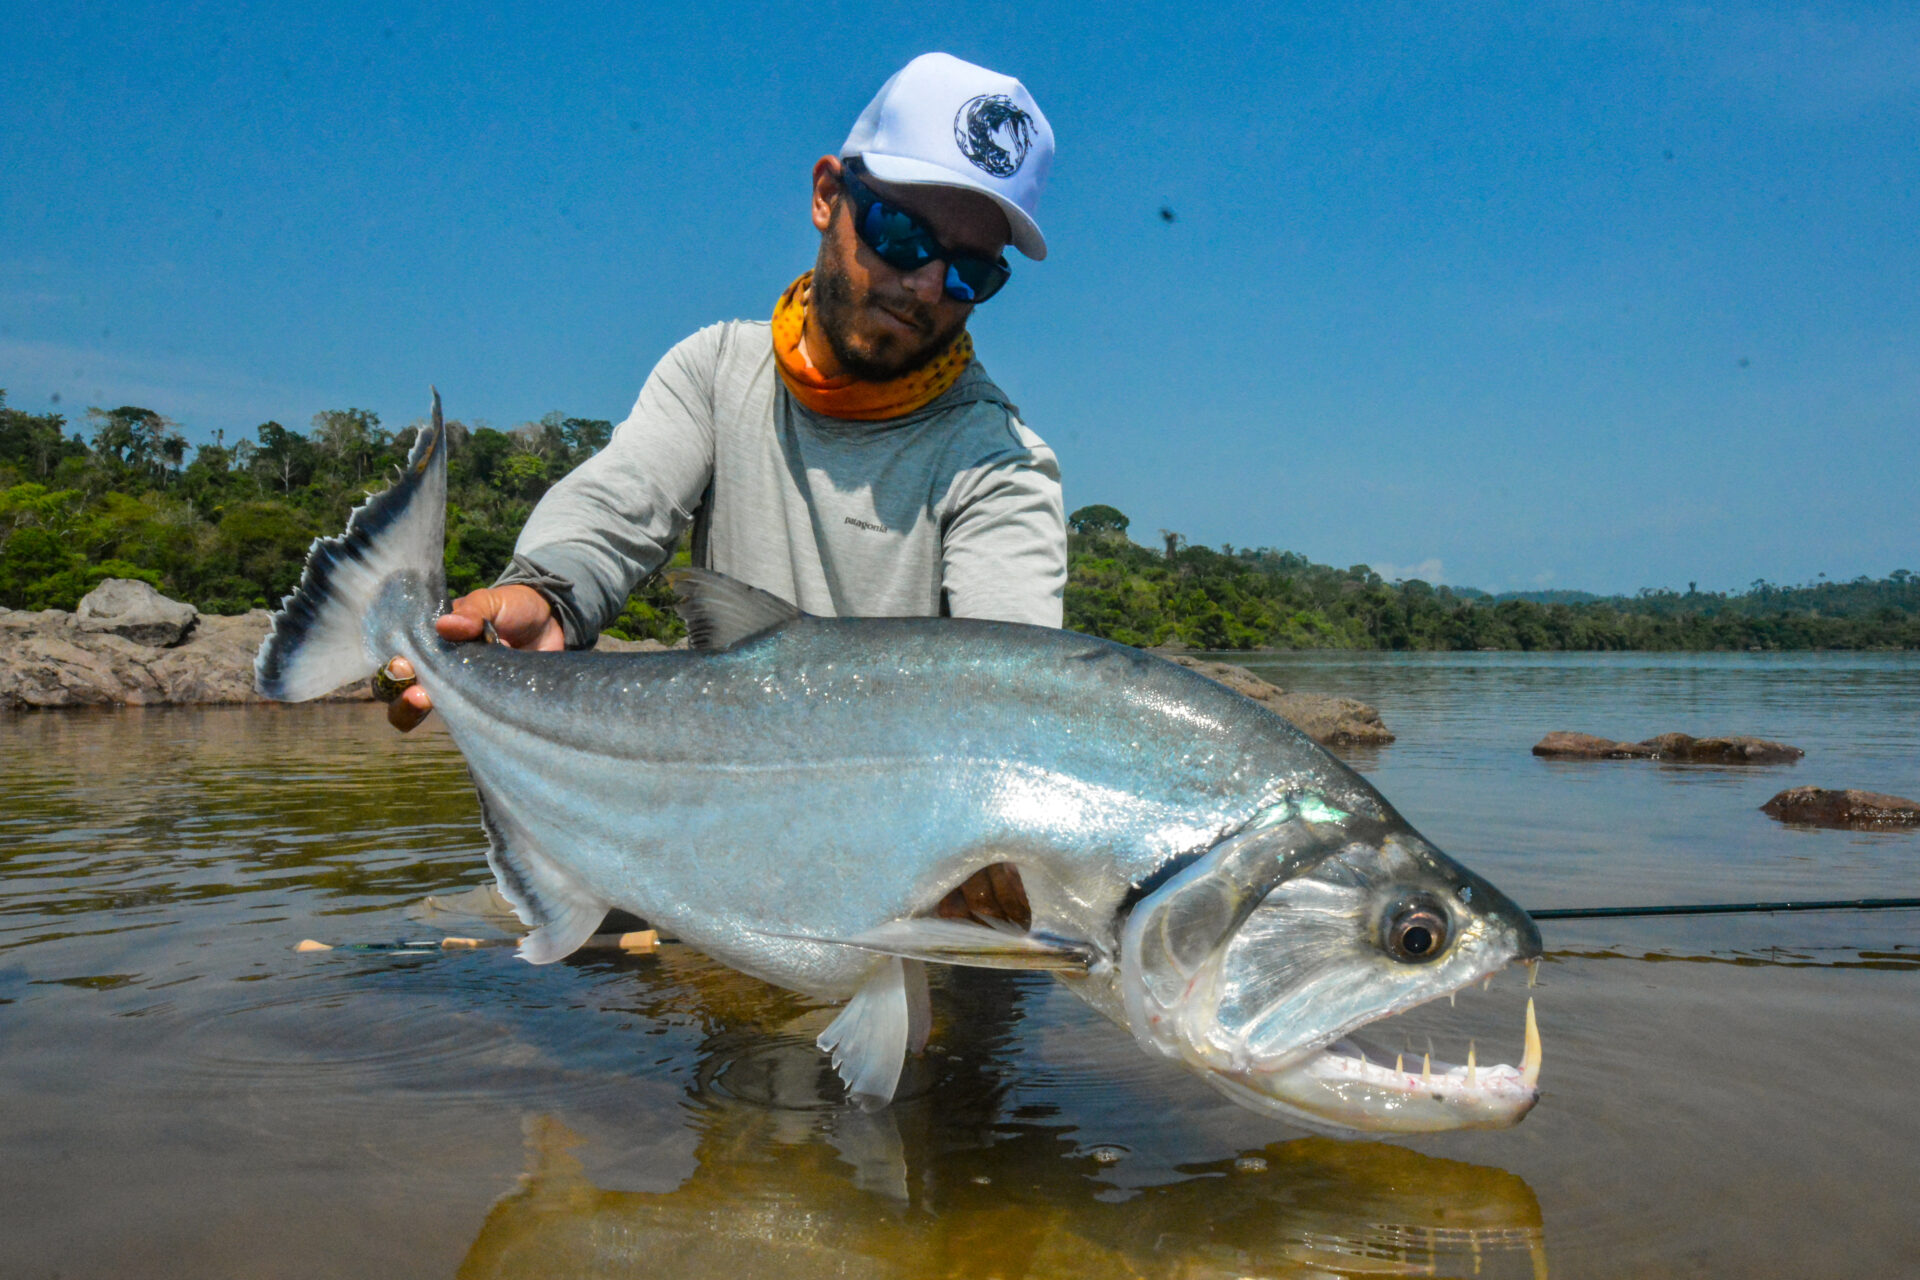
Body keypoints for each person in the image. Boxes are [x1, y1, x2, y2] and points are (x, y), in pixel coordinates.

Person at [383, 51, 1064, 735]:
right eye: (902, 234)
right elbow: (615, 510)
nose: (926, 285)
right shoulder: (717, 371)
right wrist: (546, 597)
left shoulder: (1001, 463)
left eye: (970, 272)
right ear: (827, 195)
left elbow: (1015, 693)